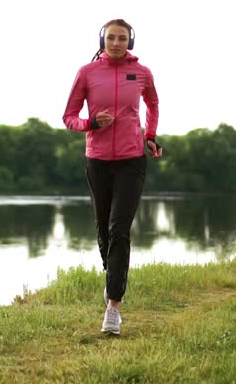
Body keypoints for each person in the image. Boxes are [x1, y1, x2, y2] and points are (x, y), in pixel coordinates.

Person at [62, 19, 162, 335]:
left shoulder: (142, 73)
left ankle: (113, 307)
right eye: (111, 38)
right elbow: (68, 117)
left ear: (129, 42)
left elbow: (153, 104)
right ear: (102, 40)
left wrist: (150, 135)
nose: (116, 43)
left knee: (120, 228)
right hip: (98, 161)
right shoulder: (87, 74)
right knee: (104, 230)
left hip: (132, 159)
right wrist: (90, 123)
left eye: (122, 38)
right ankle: (113, 279)